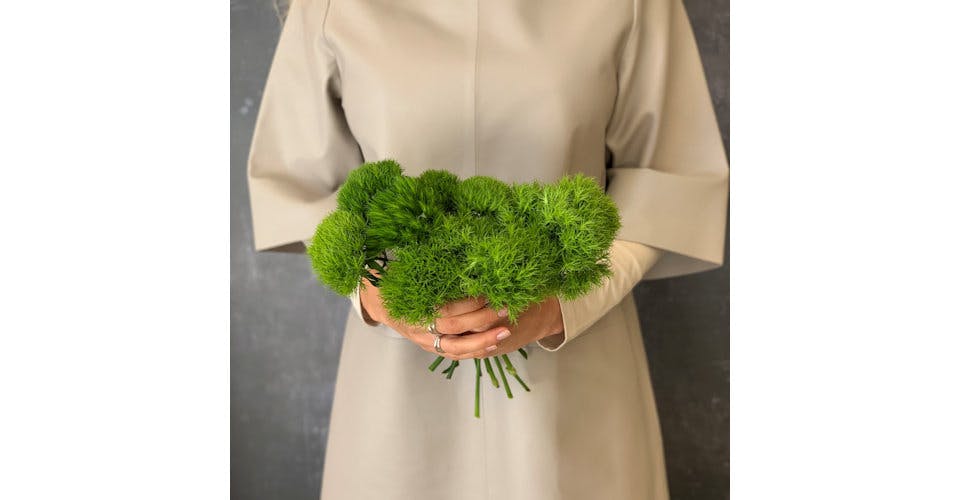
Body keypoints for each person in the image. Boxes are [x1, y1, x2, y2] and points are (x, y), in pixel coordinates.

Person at [247, 0, 728, 498]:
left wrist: (562, 304)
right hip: (396, 387)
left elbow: (670, 181)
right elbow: (297, 184)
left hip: (576, 373)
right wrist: (375, 291)